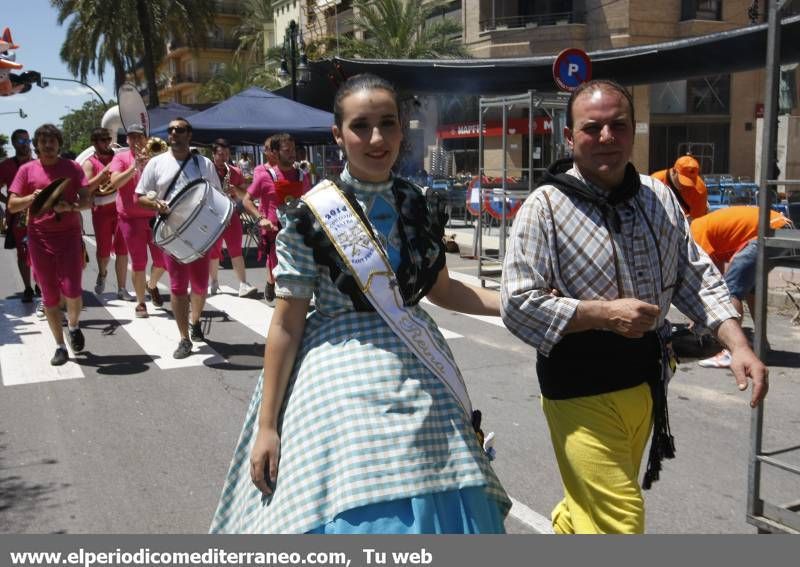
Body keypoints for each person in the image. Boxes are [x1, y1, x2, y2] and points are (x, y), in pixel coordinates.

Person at [210, 74, 510, 534]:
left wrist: (512, 304)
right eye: (361, 126)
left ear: (401, 130)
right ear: (338, 134)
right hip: (338, 365)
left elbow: (442, 290)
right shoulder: (310, 215)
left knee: (446, 485)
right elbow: (287, 325)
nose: (376, 138)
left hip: (418, 362)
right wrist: (267, 426)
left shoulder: (419, 203)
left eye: (388, 124)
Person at [500, 79, 768, 534]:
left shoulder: (658, 197)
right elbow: (518, 303)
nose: (606, 137)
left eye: (617, 126)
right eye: (592, 128)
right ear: (569, 137)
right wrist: (603, 314)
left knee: (589, 508)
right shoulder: (544, 206)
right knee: (619, 521)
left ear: (633, 130)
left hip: (645, 382)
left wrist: (736, 342)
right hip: (578, 388)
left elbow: (693, 274)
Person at [8, 124, 96, 365]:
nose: (48, 146)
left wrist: (71, 207)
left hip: (68, 236)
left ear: (59, 144)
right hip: (39, 239)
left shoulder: (73, 168)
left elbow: (88, 200)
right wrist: (32, 198)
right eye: (43, 142)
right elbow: (12, 205)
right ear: (37, 146)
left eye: (52, 141)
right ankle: (59, 345)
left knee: (73, 290)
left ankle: (75, 326)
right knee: (49, 295)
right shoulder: (26, 170)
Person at [136, 118, 222, 359]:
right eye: (171, 129)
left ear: (189, 135)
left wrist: (216, 229)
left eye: (180, 130)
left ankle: (196, 322)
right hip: (171, 234)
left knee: (200, 286)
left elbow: (217, 195)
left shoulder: (203, 163)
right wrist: (156, 204)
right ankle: (184, 338)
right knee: (177, 286)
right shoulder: (156, 163)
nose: (174, 133)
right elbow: (139, 197)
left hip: (199, 233)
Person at [690, 206, 792, 368]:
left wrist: (697, 316)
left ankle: (731, 351)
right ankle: (761, 344)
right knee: (751, 291)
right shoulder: (704, 227)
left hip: (766, 232)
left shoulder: (694, 232)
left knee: (730, 291)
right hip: (780, 228)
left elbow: (707, 280)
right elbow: (716, 273)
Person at [242, 133, 311, 306]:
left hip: (298, 232)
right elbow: (246, 200)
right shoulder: (265, 176)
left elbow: (310, 200)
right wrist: (260, 219)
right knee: (280, 273)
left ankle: (288, 298)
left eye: (293, 150)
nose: (292, 154)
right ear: (274, 152)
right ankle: (279, 295)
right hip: (275, 233)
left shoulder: (303, 176)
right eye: (287, 150)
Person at [108, 125, 167, 319]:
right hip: (130, 218)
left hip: (154, 217)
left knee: (163, 261)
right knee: (139, 263)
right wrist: (134, 167)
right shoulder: (120, 158)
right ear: (127, 140)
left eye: (139, 137)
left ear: (146, 138)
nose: (135, 141)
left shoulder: (157, 157)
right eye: (132, 137)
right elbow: (115, 183)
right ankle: (141, 303)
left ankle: (151, 286)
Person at [82, 127, 132, 301]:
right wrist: (103, 173)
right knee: (103, 251)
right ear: (94, 143)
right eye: (102, 140)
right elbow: (87, 188)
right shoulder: (90, 163)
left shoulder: (119, 156)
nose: (107, 143)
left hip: (121, 208)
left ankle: (122, 288)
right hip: (101, 211)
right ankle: (102, 273)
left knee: (122, 250)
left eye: (107, 139)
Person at [207, 138, 257, 298]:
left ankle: (243, 284)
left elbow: (245, 195)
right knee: (214, 251)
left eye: (227, 154)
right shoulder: (207, 170)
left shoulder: (234, 171)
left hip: (231, 213)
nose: (224, 158)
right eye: (220, 155)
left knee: (235, 248)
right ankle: (214, 282)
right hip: (212, 215)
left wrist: (234, 189)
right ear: (213, 154)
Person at [0, 128, 36, 302]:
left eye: (28, 141)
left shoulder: (37, 163)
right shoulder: (6, 165)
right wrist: (8, 200)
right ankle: (28, 287)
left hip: (37, 214)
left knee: (39, 250)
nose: (26, 145)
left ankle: (40, 284)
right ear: (14, 144)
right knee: (23, 252)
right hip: (18, 217)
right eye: (22, 142)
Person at [651, 155, 708, 220]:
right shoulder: (655, 182)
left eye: (691, 182)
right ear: (674, 172)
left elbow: (697, 222)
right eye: (682, 181)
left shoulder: (699, 190)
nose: (686, 185)